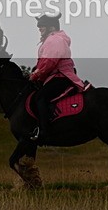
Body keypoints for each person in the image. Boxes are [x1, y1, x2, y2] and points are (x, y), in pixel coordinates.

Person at [28, 13, 86, 141]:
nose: (40, 29)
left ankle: (44, 131)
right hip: (56, 75)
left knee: (40, 97)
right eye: (39, 26)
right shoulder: (54, 39)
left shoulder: (54, 40)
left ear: (52, 27)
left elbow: (49, 62)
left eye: (42, 26)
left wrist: (35, 75)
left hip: (60, 76)